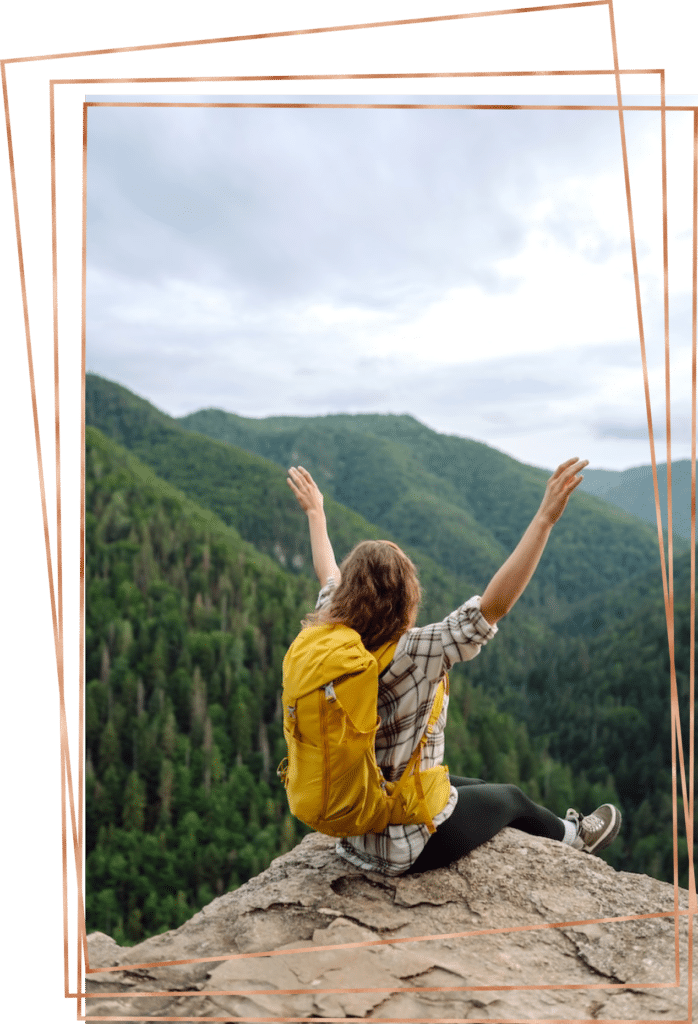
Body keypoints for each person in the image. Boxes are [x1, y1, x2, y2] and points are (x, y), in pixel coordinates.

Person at [286, 459, 621, 877]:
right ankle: (575, 837)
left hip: (356, 828)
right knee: (511, 799)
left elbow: (328, 574)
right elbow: (492, 607)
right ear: (405, 598)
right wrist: (544, 520)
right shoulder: (414, 652)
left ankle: (560, 830)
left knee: (471, 788)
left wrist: (316, 513)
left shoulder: (333, 634)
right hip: (402, 848)